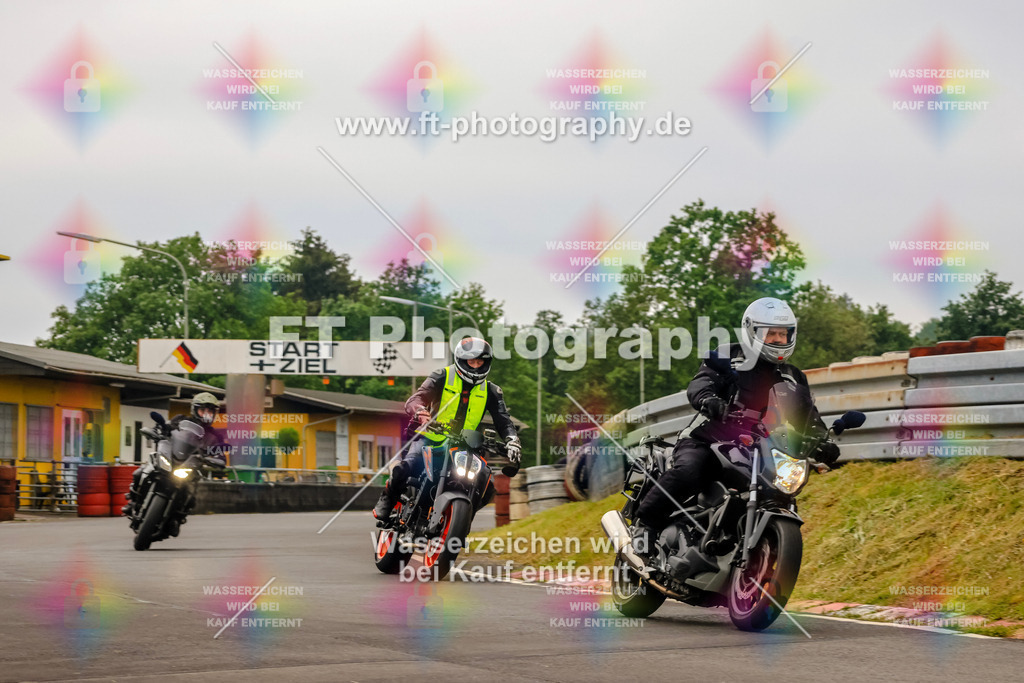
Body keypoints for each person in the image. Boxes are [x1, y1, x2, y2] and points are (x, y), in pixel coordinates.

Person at [633, 297, 840, 561]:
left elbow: (808, 418)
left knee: (780, 491)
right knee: (689, 471)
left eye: (783, 333)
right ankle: (646, 526)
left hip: (759, 447)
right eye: (770, 333)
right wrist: (709, 400)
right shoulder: (728, 356)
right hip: (707, 439)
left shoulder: (793, 376)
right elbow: (700, 383)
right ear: (751, 331)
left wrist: (823, 442)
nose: (777, 339)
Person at [373, 337, 521, 522]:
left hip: (465, 446)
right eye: (471, 361)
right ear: (461, 359)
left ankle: (460, 522)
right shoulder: (441, 376)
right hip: (431, 438)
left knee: (487, 484)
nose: (475, 366)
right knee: (404, 468)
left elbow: (503, 420)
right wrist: (421, 413)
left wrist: (512, 441)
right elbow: (416, 399)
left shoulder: (492, 391)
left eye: (479, 362)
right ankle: (388, 499)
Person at [122, 392, 228, 519]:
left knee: (191, 497)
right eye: (202, 410)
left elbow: (220, 454)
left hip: (191, 467)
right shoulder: (180, 420)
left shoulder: (215, 436)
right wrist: (157, 431)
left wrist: (218, 460)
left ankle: (177, 517)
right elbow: (165, 428)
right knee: (140, 473)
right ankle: (133, 502)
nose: (206, 415)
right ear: (194, 409)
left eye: (209, 412)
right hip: (171, 458)